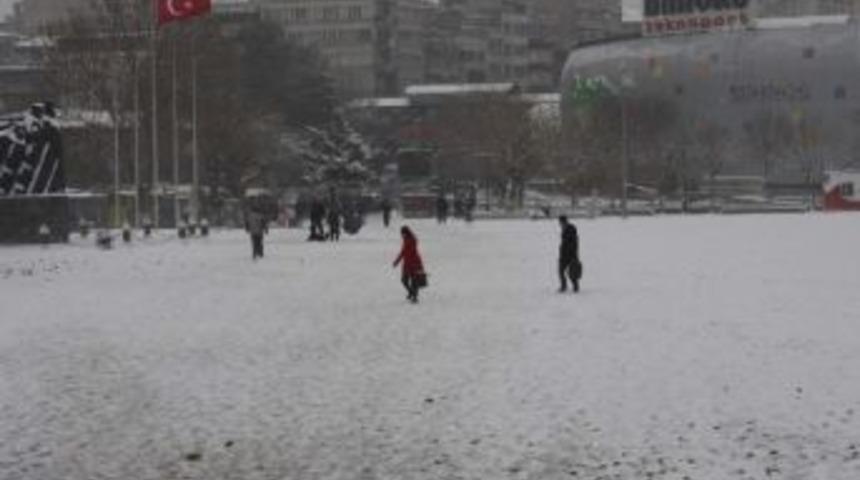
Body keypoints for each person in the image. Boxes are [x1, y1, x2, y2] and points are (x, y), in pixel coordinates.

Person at [393, 226, 426, 304]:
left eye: (403, 233)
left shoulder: (412, 240)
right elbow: (403, 252)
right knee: (404, 280)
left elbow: (409, 252)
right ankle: (411, 293)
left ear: (407, 233)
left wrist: (417, 266)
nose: (402, 235)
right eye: (402, 234)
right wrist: (396, 261)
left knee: (414, 281)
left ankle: (414, 297)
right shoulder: (405, 241)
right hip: (407, 264)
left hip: (414, 264)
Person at [558, 215, 582, 293]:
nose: (560, 224)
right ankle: (564, 286)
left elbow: (573, 243)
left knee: (572, 271)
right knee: (561, 271)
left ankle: (575, 286)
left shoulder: (571, 229)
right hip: (564, 254)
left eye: (561, 222)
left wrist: (574, 255)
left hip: (571, 254)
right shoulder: (564, 229)